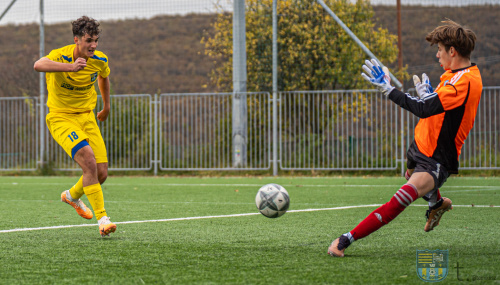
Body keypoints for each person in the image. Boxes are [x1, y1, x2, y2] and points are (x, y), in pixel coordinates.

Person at [328, 19, 482, 257]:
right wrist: (430, 95)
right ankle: (436, 204)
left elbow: (423, 109)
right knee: (409, 175)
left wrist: (389, 90)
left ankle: (345, 240)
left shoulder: (466, 81)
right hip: (421, 144)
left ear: (452, 51)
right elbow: (440, 108)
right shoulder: (454, 74)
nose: (438, 55)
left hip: (437, 158)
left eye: (440, 50)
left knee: (401, 198)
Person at [34, 16, 116, 237]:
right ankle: (103, 219)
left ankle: (71, 196)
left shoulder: (99, 59)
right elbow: (38, 64)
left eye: (96, 40)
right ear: (77, 39)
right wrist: (69, 67)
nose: (93, 45)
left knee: (101, 173)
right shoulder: (59, 55)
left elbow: (104, 77)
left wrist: (106, 106)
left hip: (87, 117)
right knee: (88, 160)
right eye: (89, 40)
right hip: (61, 117)